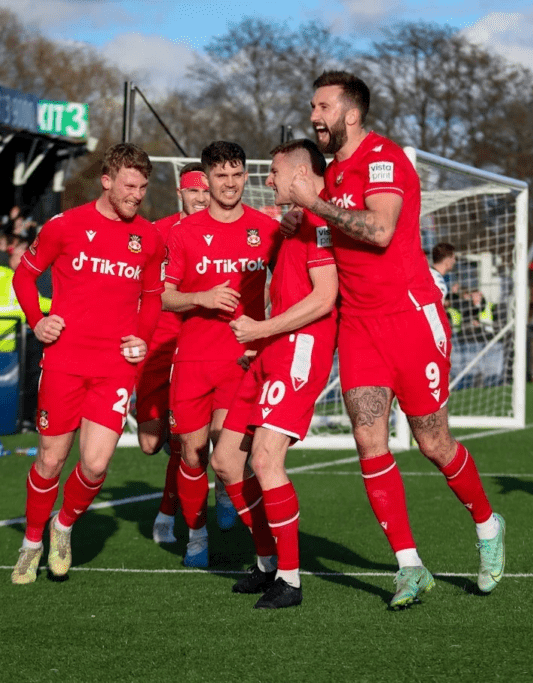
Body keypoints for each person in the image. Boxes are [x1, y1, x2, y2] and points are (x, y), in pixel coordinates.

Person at [288, 70, 505, 608]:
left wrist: (312, 205)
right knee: (368, 440)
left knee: (433, 442)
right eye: (313, 107)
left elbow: (381, 231)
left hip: (411, 320)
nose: (314, 115)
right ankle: (410, 566)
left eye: (322, 107)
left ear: (350, 114)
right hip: (359, 327)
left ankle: (486, 522)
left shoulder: (383, 159)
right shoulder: (331, 174)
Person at [8, 143, 165, 584]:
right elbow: (24, 274)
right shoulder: (66, 226)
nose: (137, 194)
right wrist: (37, 321)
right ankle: (31, 542)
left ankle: (63, 528)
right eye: (130, 185)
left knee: (95, 465)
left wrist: (143, 336)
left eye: (143, 187)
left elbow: (152, 297)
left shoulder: (149, 238)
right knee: (50, 460)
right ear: (107, 180)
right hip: (64, 361)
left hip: (115, 366)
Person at [209, 139, 338, 609]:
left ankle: (291, 579)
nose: (268, 181)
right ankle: (267, 564)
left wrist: (262, 328)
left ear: (302, 175)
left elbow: (324, 298)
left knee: (265, 459)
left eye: (275, 172)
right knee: (225, 461)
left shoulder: (320, 222)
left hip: (300, 347)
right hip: (271, 349)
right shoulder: (293, 225)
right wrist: (262, 341)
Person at [162, 141, 281, 568]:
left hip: (243, 359)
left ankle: (235, 504)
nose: (229, 183)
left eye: (236, 174)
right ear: (206, 180)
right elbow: (166, 297)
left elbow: (289, 286)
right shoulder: (184, 232)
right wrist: (204, 297)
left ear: (245, 176)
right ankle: (196, 536)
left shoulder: (267, 228)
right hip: (193, 359)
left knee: (227, 451)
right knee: (190, 451)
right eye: (220, 176)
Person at [133, 162, 237, 544]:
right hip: (159, 345)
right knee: (149, 443)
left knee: (191, 439)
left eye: (205, 191)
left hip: (202, 346)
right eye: (193, 191)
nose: (200, 197)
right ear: (181, 194)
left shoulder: (225, 230)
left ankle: (168, 513)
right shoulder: (157, 232)